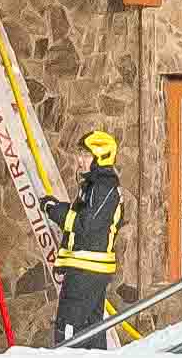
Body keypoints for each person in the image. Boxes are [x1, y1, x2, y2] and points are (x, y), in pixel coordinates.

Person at [50, 125, 130, 340]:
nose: (80, 160)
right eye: (80, 154)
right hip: (87, 268)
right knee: (90, 333)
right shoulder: (95, 186)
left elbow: (86, 224)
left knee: (69, 330)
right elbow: (89, 219)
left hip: (86, 270)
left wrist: (54, 210)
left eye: (86, 155)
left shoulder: (102, 187)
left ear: (100, 157)